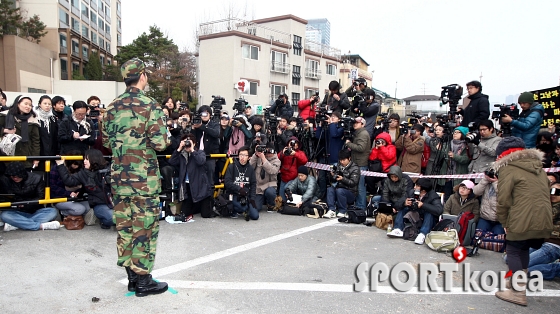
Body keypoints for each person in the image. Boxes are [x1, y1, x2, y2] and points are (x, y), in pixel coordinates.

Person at [102, 58, 170, 297]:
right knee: (145, 228)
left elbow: (107, 143)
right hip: (144, 180)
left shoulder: (110, 107)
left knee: (125, 227)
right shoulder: (150, 105)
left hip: (120, 179)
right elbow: (162, 142)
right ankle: (143, 281)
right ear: (142, 76)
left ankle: (131, 277)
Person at [493, 136, 553, 306]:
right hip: (543, 217)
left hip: (523, 217)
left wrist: (504, 222)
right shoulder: (539, 168)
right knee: (523, 248)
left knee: (512, 250)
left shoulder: (508, 169)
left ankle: (518, 292)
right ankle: (515, 281)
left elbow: (503, 200)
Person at [55, 149, 114, 229]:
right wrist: (60, 165)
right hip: (100, 204)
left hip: (115, 201)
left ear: (94, 159)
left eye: (87, 159)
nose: (84, 161)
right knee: (112, 218)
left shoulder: (108, 170)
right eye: (84, 159)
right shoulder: (83, 173)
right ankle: (105, 222)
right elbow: (69, 181)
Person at [0, 162, 60, 231]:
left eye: (16, 176)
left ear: (21, 174)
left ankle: (18, 224)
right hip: (17, 211)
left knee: (52, 211)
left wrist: (25, 204)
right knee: (4, 215)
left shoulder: (36, 178)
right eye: (12, 176)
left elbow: (41, 197)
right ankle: (39, 226)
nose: (14, 178)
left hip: (35, 210)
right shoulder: (7, 180)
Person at [169, 133, 213, 220]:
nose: (187, 144)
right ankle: (195, 206)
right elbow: (171, 162)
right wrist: (179, 149)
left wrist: (192, 150)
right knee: (185, 213)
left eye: (189, 142)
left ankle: (202, 205)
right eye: (185, 142)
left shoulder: (200, 152)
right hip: (188, 187)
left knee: (205, 214)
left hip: (201, 187)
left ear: (194, 143)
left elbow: (201, 161)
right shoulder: (182, 155)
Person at [387, 178, 444, 245]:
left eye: (417, 186)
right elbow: (396, 204)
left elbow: (439, 210)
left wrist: (423, 205)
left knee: (429, 213)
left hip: (425, 219)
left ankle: (423, 234)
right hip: (413, 215)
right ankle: (398, 229)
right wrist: (404, 203)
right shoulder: (411, 192)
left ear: (423, 188)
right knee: (404, 208)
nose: (414, 187)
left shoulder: (433, 196)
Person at [527, 182, 560, 280]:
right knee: (510, 259)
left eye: (557, 192)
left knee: (525, 268)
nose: (553, 194)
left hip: (554, 246)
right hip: (542, 242)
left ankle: (553, 266)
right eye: (551, 191)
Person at [0, 95, 40, 169]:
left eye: (30, 105)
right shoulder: (5, 115)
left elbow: (35, 141)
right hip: (7, 156)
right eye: (25, 104)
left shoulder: (33, 119)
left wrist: (35, 158)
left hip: (25, 155)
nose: (28, 106)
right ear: (18, 103)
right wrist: (5, 130)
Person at [49, 150, 90, 219]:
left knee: (89, 207)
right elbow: (52, 186)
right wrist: (69, 193)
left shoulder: (81, 168)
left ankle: (75, 216)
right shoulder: (57, 168)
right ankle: (64, 213)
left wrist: (79, 192)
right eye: (74, 164)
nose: (76, 167)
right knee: (80, 209)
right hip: (60, 197)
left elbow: (83, 183)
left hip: (77, 197)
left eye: (78, 165)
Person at [323, 149, 360, 218]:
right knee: (330, 189)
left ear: (349, 158)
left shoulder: (355, 168)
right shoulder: (339, 165)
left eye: (344, 160)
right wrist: (332, 175)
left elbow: (353, 183)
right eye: (340, 160)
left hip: (351, 193)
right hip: (339, 189)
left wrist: (343, 179)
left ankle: (342, 211)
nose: (342, 162)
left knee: (340, 191)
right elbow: (334, 180)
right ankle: (331, 210)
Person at [224, 146, 258, 220]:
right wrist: (239, 189)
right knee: (243, 207)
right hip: (234, 194)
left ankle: (245, 209)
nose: (242, 157)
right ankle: (236, 209)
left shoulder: (250, 168)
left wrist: (252, 199)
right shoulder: (232, 166)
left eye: (245, 155)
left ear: (249, 157)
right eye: (241, 155)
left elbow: (253, 184)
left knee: (255, 216)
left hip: (246, 195)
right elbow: (227, 182)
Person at [344, 117, 371, 210]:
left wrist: (349, 143)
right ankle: (359, 206)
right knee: (357, 186)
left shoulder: (363, 134)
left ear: (363, 124)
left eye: (357, 123)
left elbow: (361, 148)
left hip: (361, 163)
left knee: (360, 186)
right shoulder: (359, 133)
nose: (354, 124)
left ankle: (361, 207)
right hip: (358, 162)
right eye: (354, 123)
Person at [193, 105, 220, 188]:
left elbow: (216, 133)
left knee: (209, 179)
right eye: (202, 113)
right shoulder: (196, 123)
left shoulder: (214, 124)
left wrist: (202, 127)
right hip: (197, 154)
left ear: (210, 115)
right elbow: (191, 137)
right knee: (196, 178)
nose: (204, 116)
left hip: (210, 156)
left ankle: (209, 199)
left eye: (206, 114)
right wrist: (193, 128)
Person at [249, 143, 280, 212]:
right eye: (266, 151)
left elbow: (272, 170)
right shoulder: (258, 158)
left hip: (270, 186)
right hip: (259, 187)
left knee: (270, 192)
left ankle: (270, 205)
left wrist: (263, 158)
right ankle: (262, 201)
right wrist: (255, 155)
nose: (268, 154)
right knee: (256, 208)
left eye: (270, 152)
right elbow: (250, 167)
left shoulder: (277, 161)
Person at [278, 136, 308, 201]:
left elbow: (305, 160)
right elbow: (277, 159)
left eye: (295, 143)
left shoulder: (300, 153)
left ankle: (293, 204)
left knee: (288, 190)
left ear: (298, 145)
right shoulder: (285, 151)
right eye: (291, 143)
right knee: (282, 199)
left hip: (294, 179)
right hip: (284, 178)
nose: (293, 145)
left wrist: (295, 154)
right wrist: (282, 153)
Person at [33, 95, 59, 169]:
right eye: (45, 103)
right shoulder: (35, 117)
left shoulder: (53, 118)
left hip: (51, 152)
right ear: (39, 104)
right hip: (39, 151)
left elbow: (55, 136)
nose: (47, 106)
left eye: (49, 104)